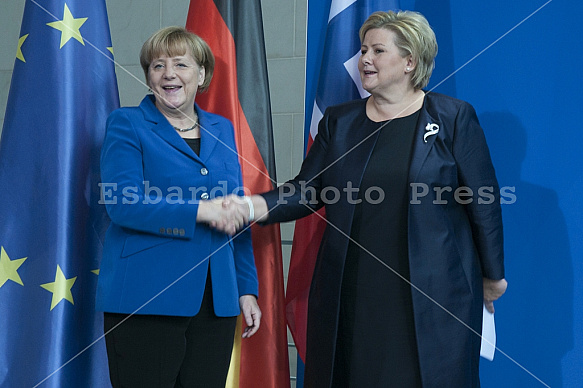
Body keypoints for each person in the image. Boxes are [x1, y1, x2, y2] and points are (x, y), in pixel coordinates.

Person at [219, 10, 507, 388]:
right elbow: (308, 189)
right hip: (353, 292)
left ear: (410, 61)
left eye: (377, 50)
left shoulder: (453, 118)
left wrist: (493, 275)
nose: (364, 59)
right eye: (362, 49)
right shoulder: (340, 122)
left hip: (433, 294)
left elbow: (483, 202)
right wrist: (252, 206)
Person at [95, 26, 261, 388]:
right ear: (148, 75)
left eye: (181, 64)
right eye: (158, 65)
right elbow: (123, 204)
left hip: (216, 298)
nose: (168, 73)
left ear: (201, 75)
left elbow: (236, 214)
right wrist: (200, 211)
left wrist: (246, 287)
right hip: (145, 298)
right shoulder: (127, 123)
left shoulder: (222, 128)